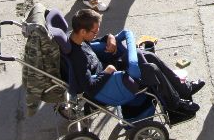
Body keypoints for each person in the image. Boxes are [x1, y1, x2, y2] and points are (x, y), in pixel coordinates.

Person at [66, 8, 203, 115]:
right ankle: (175, 104)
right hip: (109, 85)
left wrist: (109, 37)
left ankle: (184, 89)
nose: (96, 34)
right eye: (94, 32)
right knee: (150, 69)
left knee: (146, 55)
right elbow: (89, 88)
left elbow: (95, 42)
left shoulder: (77, 38)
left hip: (111, 70)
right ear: (83, 31)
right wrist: (107, 72)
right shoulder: (78, 58)